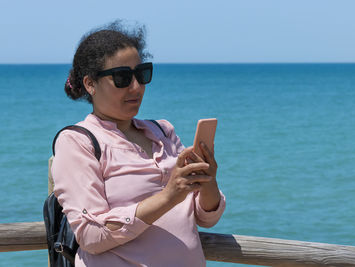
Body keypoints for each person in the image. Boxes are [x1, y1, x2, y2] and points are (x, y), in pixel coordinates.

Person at [52, 21, 225, 267]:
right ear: (90, 84)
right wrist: (168, 196)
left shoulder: (163, 131)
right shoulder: (77, 142)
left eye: (141, 74)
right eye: (122, 77)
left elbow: (205, 217)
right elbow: (91, 236)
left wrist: (208, 179)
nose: (136, 87)